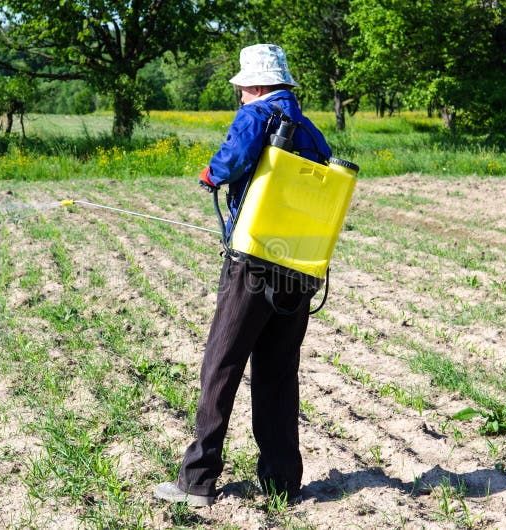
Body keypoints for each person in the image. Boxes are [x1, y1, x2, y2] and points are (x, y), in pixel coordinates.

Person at [153, 43, 332, 507]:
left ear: (252, 85)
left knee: (221, 367)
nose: (240, 96)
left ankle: (196, 480)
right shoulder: (313, 132)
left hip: (252, 266)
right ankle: (282, 483)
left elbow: (231, 162)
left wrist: (212, 175)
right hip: (299, 269)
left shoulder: (256, 116)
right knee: (277, 374)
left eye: (240, 89)